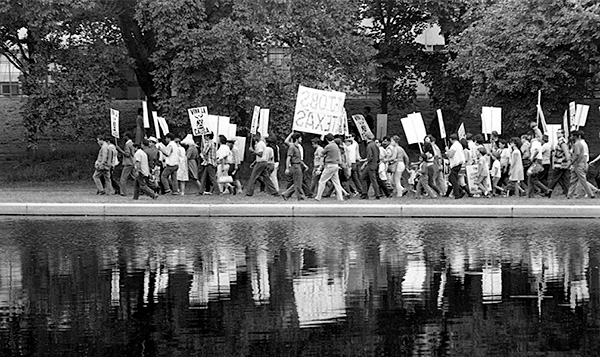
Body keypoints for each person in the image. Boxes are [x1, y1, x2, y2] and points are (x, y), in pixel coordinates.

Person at [315, 133, 346, 201]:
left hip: (330, 165)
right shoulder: (336, 145)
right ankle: (340, 198)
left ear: (327, 139)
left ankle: (318, 197)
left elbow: (321, 154)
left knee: (322, 181)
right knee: (336, 182)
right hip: (336, 165)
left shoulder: (328, 146)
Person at [567, 130, 595, 199]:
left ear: (576, 136)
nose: (571, 137)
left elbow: (577, 154)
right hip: (578, 164)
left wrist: (571, 163)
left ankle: (591, 194)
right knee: (573, 180)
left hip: (578, 164)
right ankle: (569, 195)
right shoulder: (579, 144)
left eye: (572, 135)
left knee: (582, 180)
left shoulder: (577, 144)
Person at [281, 132, 306, 200]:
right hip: (295, 166)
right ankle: (300, 197)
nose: (301, 139)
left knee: (298, 182)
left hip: (298, 165)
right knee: (298, 182)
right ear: (297, 139)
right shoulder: (292, 147)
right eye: (300, 137)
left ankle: (286, 194)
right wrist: (287, 168)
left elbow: (299, 158)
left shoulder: (297, 147)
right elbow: (288, 157)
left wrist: (304, 165)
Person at [547, 129, 570, 197]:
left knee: (554, 178)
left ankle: (548, 191)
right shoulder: (561, 141)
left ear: (562, 134)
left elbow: (566, 151)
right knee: (564, 179)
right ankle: (567, 192)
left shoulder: (562, 142)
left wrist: (568, 160)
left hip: (560, 163)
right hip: (562, 163)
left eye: (558, 133)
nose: (557, 134)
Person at [360, 133, 382, 200]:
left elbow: (370, 156)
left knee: (372, 180)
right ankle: (364, 193)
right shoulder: (375, 145)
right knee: (363, 177)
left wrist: (365, 161)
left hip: (370, 165)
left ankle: (377, 194)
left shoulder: (369, 146)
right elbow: (378, 154)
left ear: (366, 137)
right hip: (375, 164)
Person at [445, 134, 466, 199]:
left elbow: (450, 155)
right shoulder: (459, 145)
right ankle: (459, 191)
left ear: (451, 139)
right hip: (459, 163)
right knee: (452, 179)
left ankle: (457, 193)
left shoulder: (454, 146)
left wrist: (447, 151)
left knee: (453, 180)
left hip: (455, 164)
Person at [115, 132, 136, 197]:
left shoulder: (127, 144)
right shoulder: (132, 143)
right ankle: (142, 189)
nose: (123, 137)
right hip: (132, 162)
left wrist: (119, 149)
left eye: (124, 136)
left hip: (128, 163)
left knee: (123, 178)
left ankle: (123, 192)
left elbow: (127, 154)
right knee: (135, 177)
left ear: (127, 137)